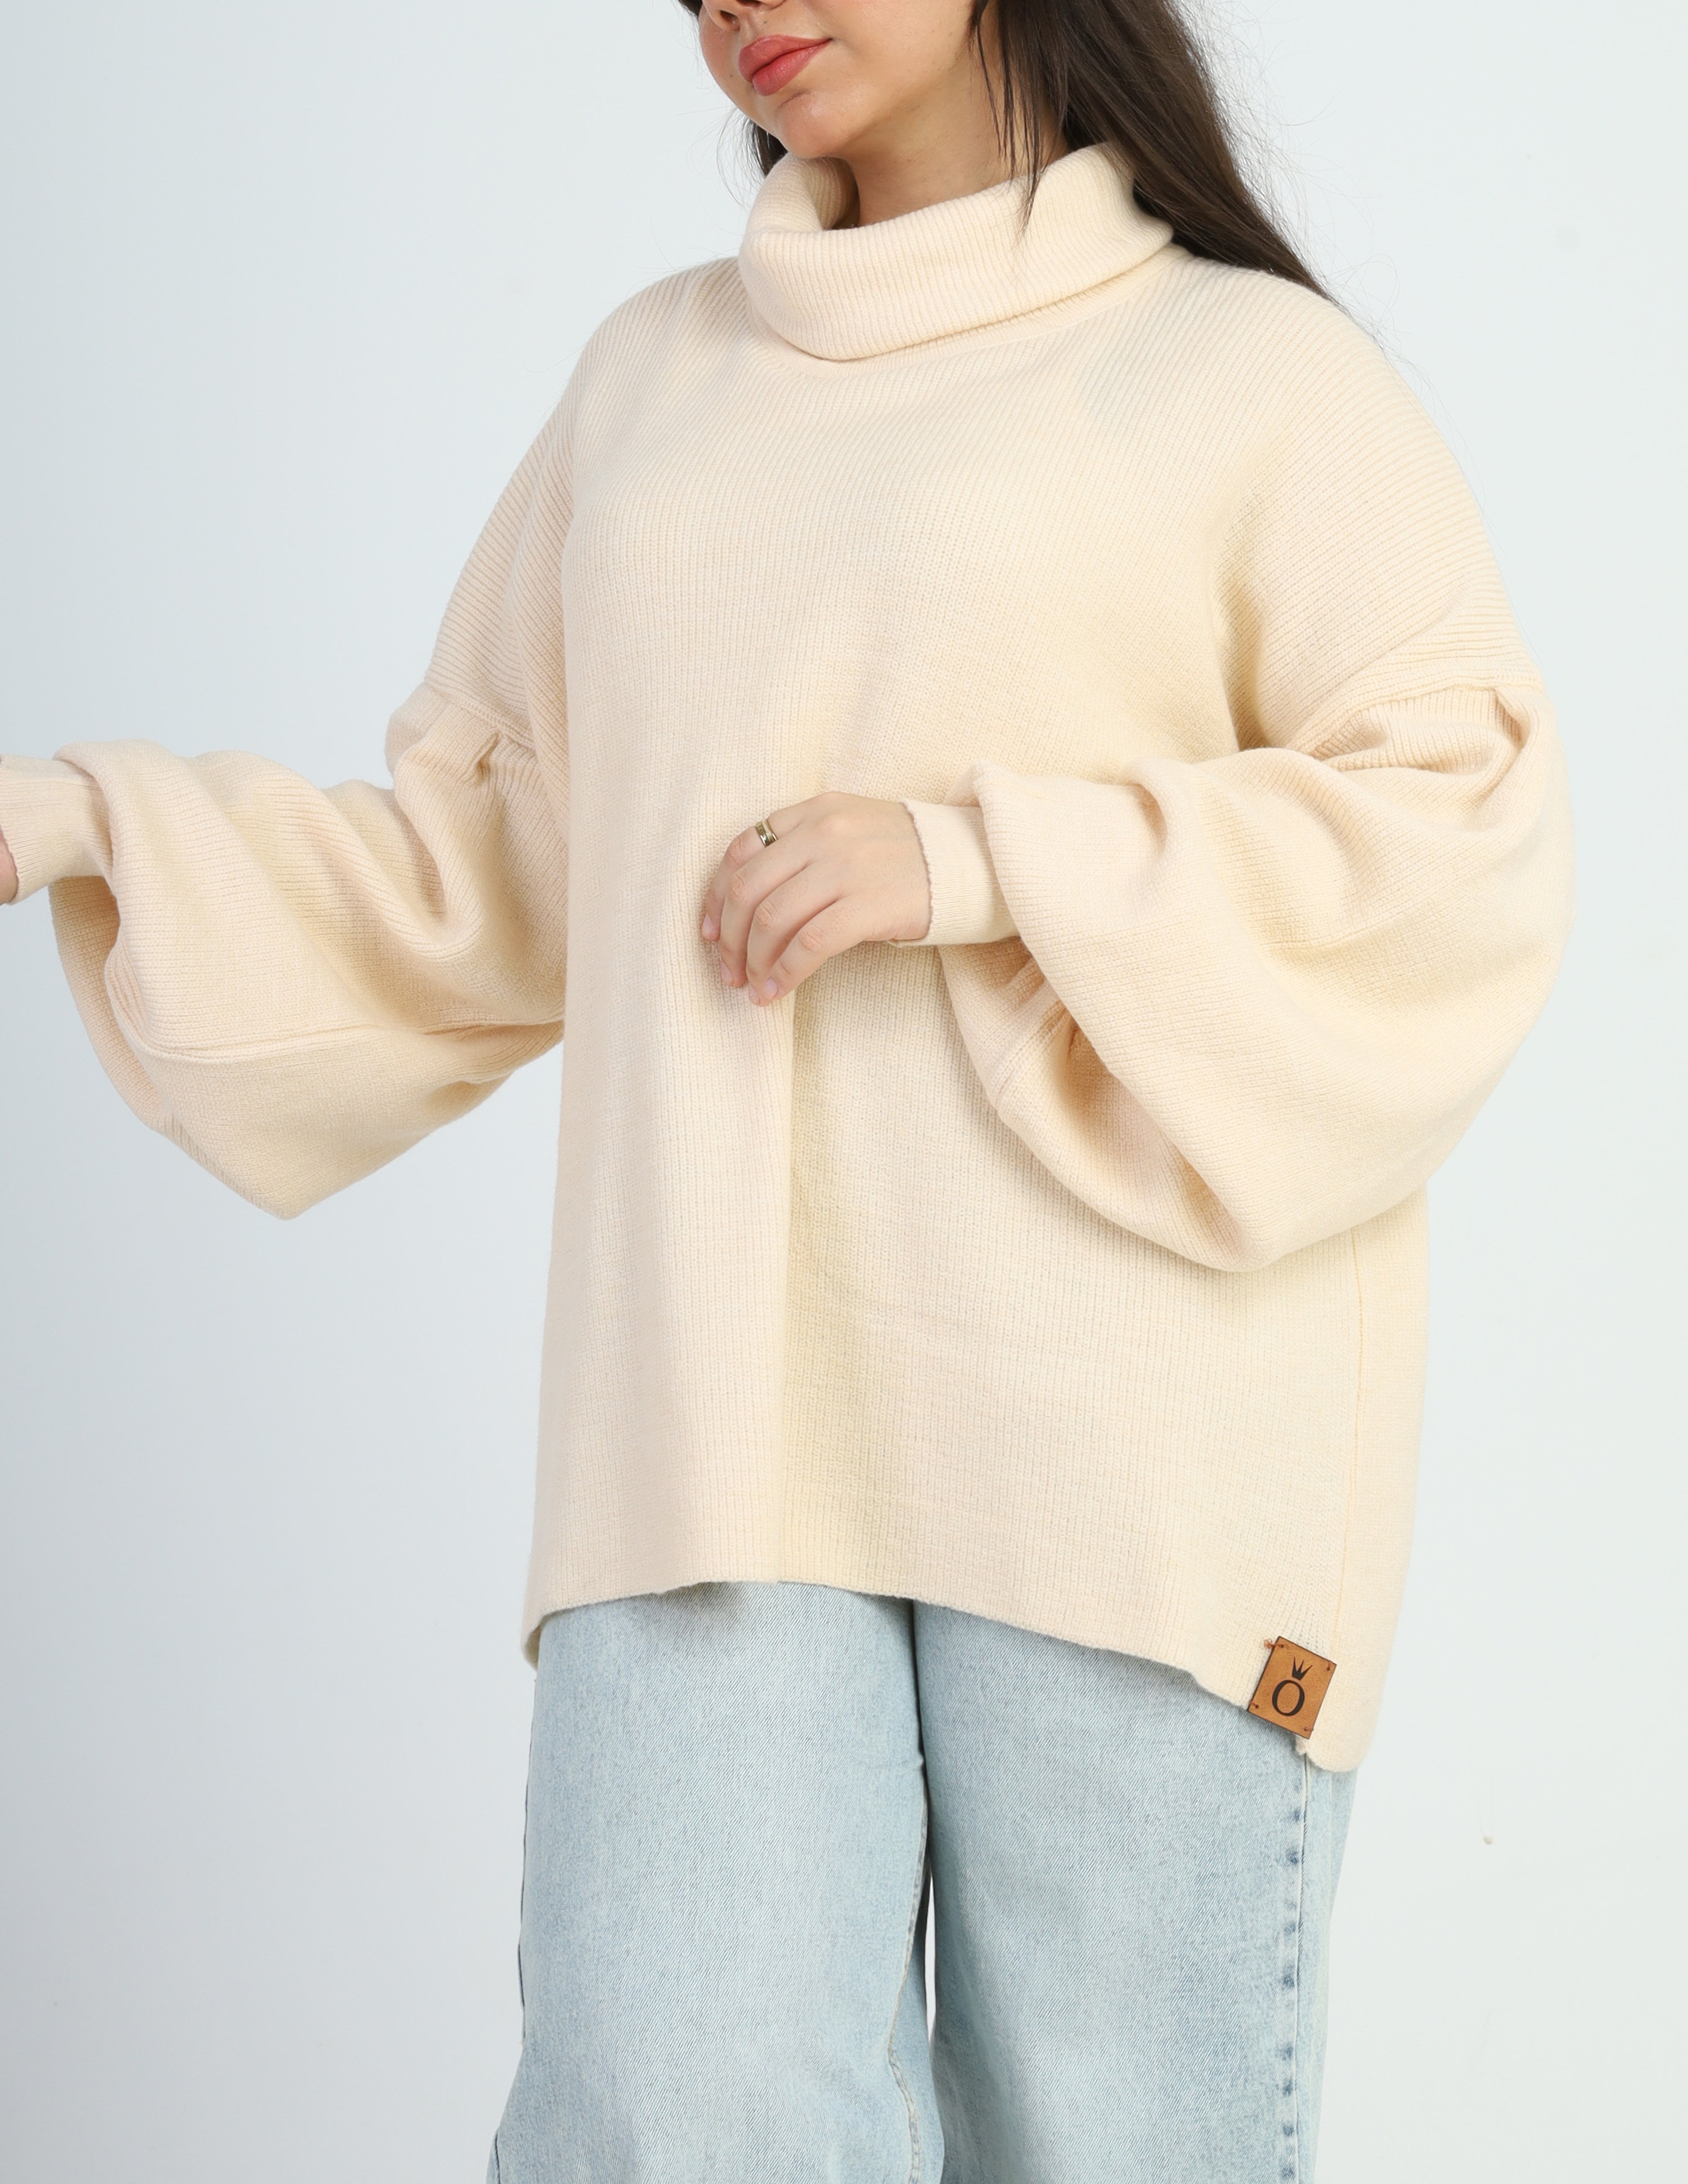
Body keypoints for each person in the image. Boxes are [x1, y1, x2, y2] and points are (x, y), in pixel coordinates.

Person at [0, 0, 1576, 2176]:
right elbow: (505, 862)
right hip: (714, 1418)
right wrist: (74, 820)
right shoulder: (654, 387)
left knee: (1115, 2144)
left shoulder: (1252, 374)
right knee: (676, 2108)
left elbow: (1461, 831)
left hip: (1142, 1452)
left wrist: (972, 857)